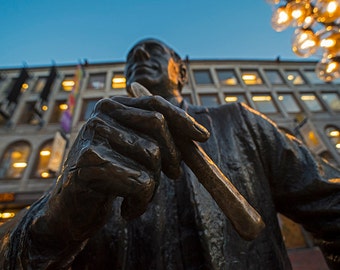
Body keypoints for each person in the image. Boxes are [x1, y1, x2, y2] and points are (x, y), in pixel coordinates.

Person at [1, 38, 340, 270]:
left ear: (183, 71)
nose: (140, 58)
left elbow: (331, 204)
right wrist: (58, 217)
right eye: (132, 57)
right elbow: (15, 256)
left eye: (153, 51)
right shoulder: (99, 145)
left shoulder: (241, 123)